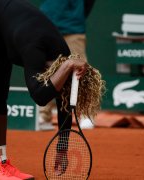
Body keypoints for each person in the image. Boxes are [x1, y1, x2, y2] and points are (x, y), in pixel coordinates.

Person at [0, 0, 104, 179]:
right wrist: (67, 66)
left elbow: (64, 103)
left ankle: (2, 162)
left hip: (2, 27)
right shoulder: (36, 48)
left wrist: (62, 147)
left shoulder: (61, 57)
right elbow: (39, 96)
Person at [38, 0, 96, 130]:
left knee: (81, 71)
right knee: (47, 71)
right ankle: (43, 115)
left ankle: (85, 114)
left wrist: (76, 15)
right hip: (47, 24)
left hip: (73, 28)